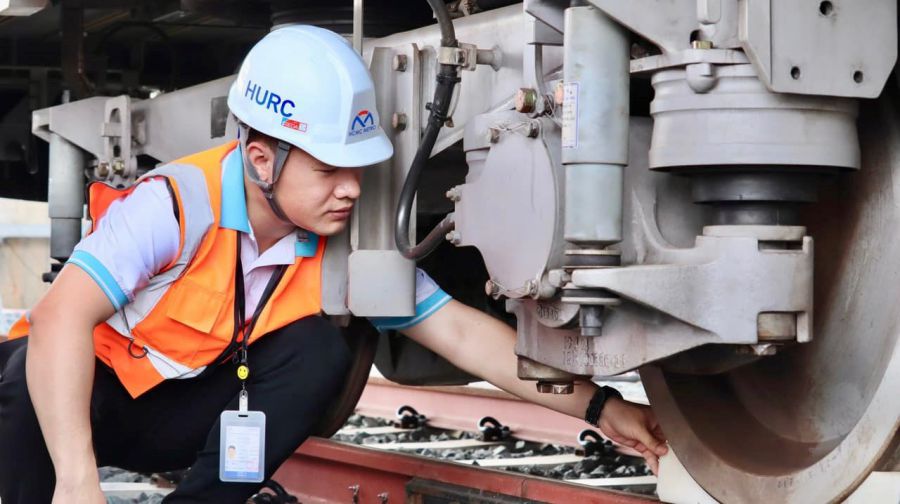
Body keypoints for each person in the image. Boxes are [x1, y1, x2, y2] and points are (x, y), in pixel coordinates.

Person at [0, 25, 667, 504]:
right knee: (24, 389)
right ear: (262, 160)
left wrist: (603, 406)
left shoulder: (343, 243)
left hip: (177, 413)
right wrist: (77, 480)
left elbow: (462, 334)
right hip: (68, 407)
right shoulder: (176, 203)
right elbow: (60, 321)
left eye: (358, 169)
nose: (351, 188)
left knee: (319, 347)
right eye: (328, 170)